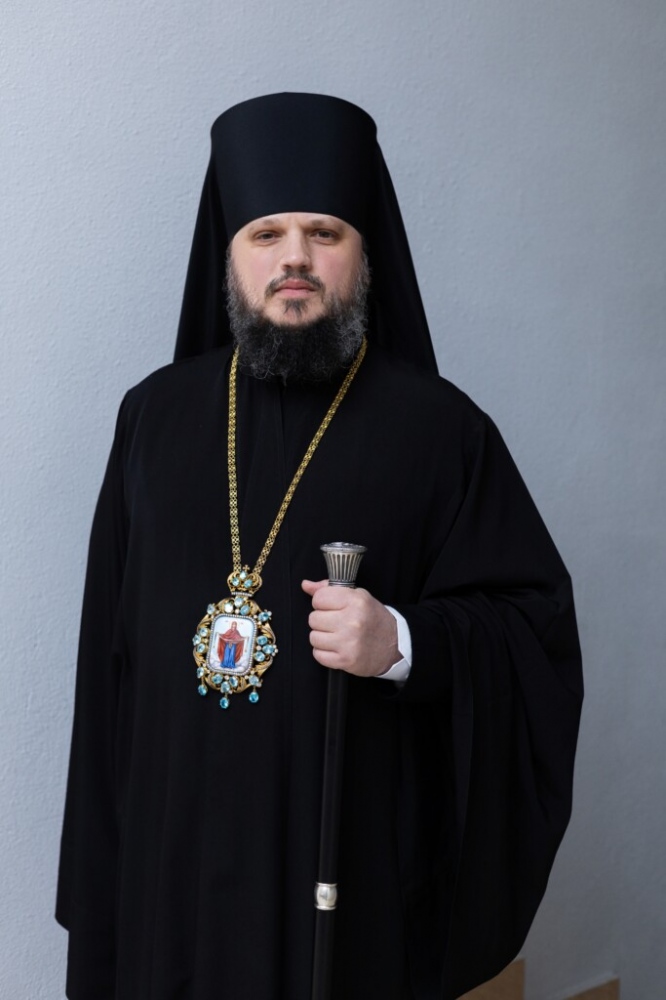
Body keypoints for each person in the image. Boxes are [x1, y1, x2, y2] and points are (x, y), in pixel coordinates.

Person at [56, 93, 583, 1000]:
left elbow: (532, 630)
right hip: (170, 875)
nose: (294, 256)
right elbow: (108, 670)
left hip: (345, 875)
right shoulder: (153, 417)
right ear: (229, 254)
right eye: (266, 234)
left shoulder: (441, 431)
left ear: (364, 255)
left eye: (323, 233)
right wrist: (102, 889)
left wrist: (404, 642)